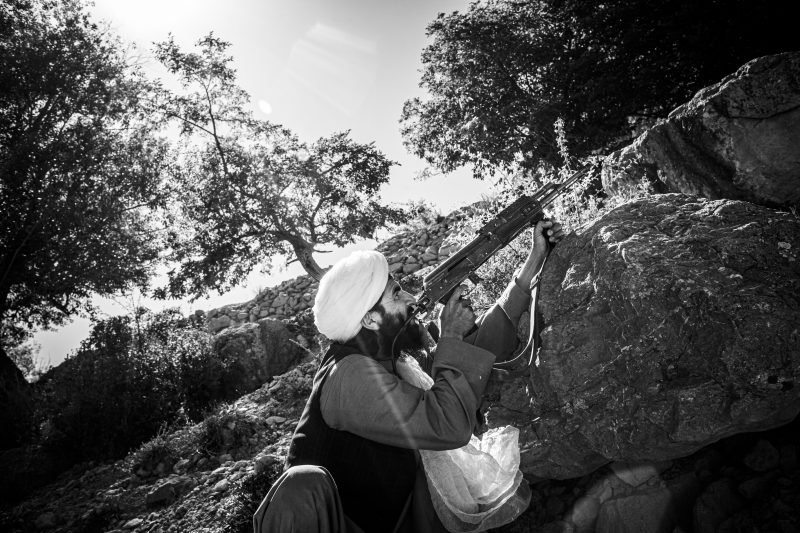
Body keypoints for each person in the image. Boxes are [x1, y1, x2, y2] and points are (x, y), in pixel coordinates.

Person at [253, 220, 564, 533]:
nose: (412, 299)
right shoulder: (348, 376)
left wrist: (533, 263)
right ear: (370, 319)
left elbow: (472, 355)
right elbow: (448, 425)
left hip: (392, 521)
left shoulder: (393, 360)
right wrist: (450, 335)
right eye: (396, 294)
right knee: (302, 482)